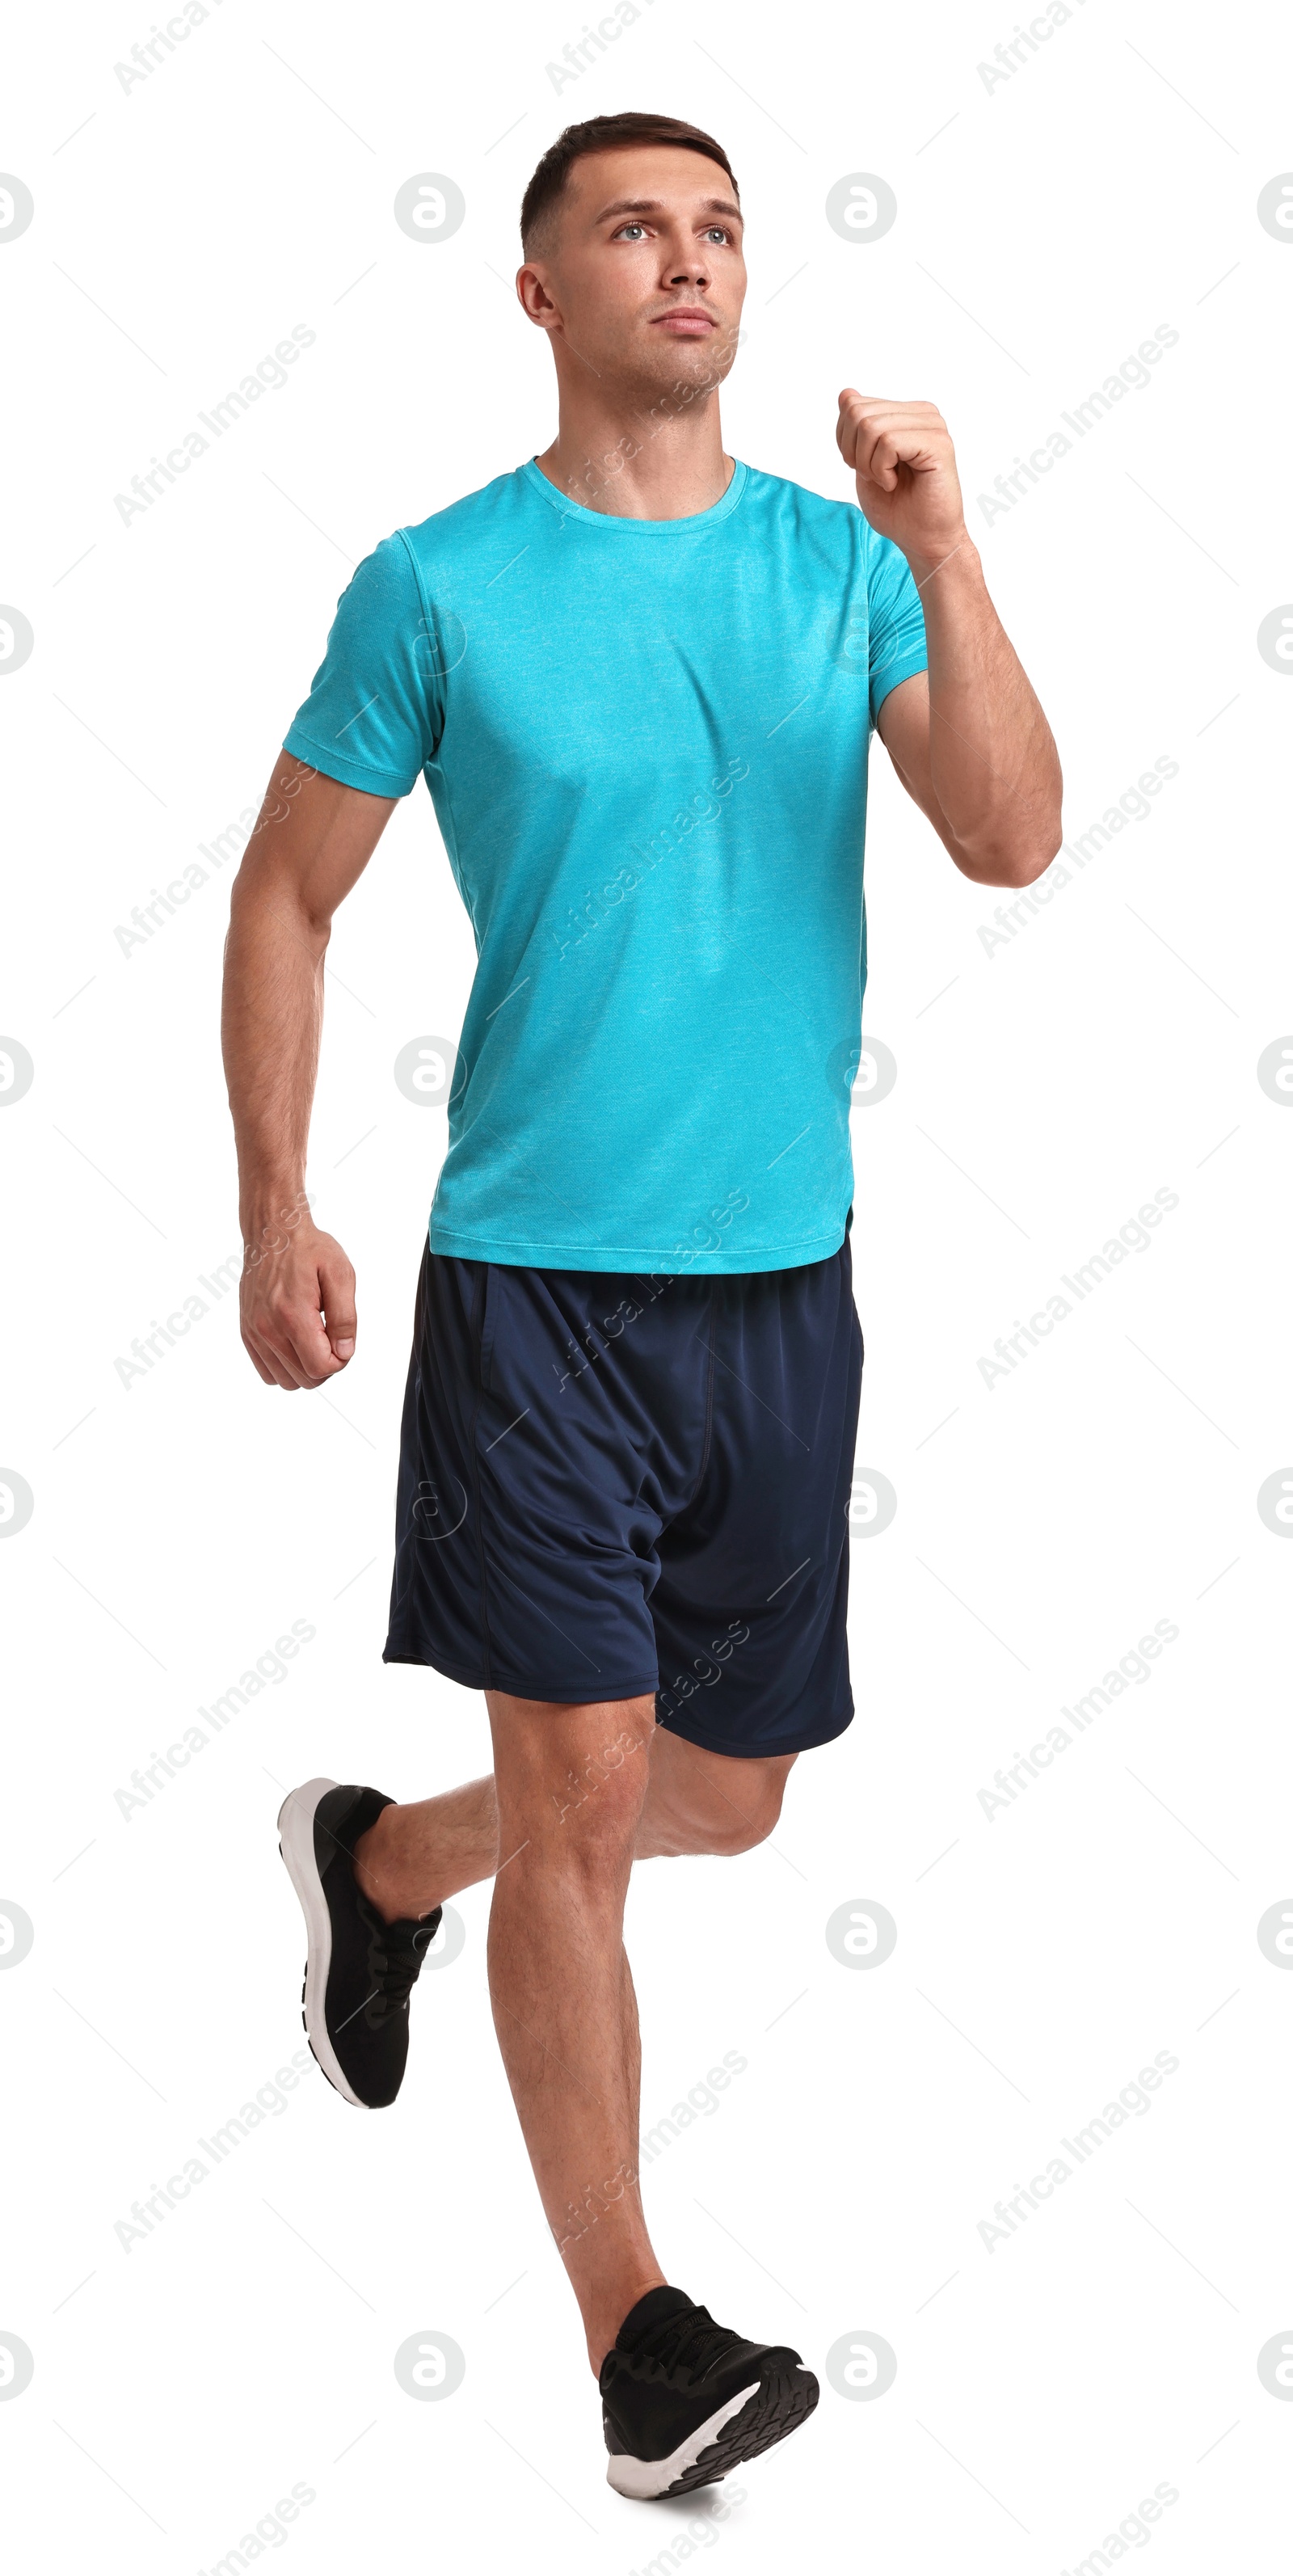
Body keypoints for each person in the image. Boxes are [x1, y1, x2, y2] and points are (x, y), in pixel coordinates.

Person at [221, 109, 1061, 2502]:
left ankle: (380, 1864)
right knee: (590, 1790)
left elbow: (1010, 830)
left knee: (726, 1792)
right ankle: (640, 2343)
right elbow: (284, 898)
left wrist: (951, 546)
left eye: (717, 233)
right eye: (632, 228)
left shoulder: (846, 563)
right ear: (540, 291)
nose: (687, 265)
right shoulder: (438, 586)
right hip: (534, 1299)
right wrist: (275, 1201)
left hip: (782, 1298)